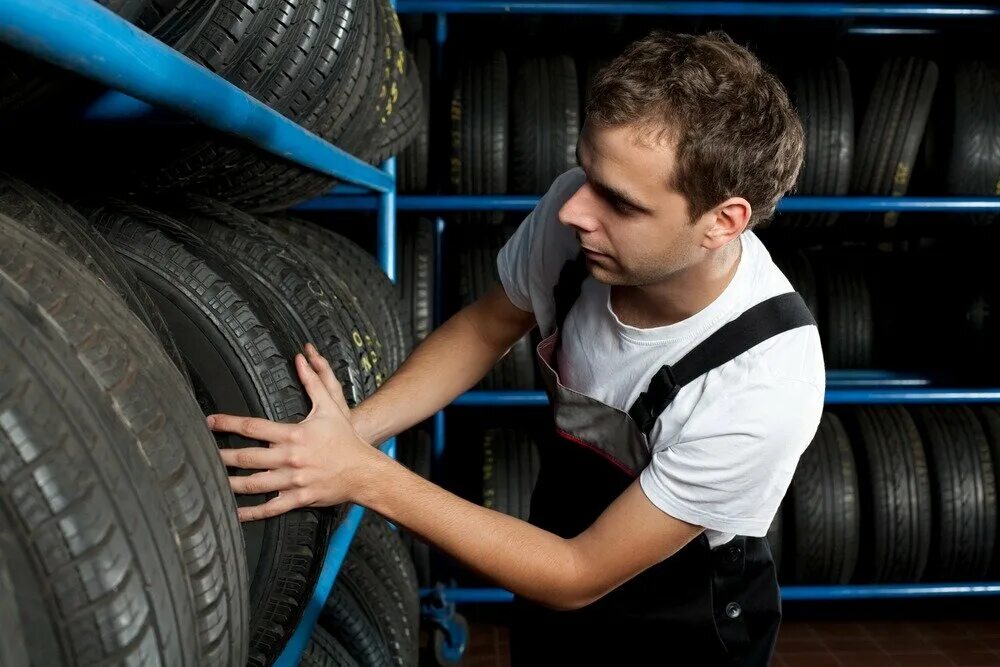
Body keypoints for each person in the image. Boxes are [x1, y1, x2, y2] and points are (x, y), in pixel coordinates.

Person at [209, 30, 824, 665]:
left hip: (680, 614)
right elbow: (485, 329)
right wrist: (349, 433)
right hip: (555, 544)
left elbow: (579, 571)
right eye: (586, 171)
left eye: (619, 202)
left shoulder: (766, 382)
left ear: (723, 222)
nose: (575, 210)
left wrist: (360, 474)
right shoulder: (580, 225)